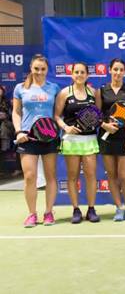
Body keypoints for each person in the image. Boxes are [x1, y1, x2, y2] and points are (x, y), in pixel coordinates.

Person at [13, 55, 61, 227]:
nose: (39, 72)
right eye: (36, 69)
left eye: (43, 69)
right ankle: (32, 214)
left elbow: (57, 114)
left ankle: (49, 212)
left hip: (49, 137)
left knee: (50, 176)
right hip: (27, 137)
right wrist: (19, 132)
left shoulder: (54, 88)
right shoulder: (20, 88)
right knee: (30, 177)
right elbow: (16, 112)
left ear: (47, 70)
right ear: (31, 69)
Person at [54, 62, 100, 223]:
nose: (79, 75)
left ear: (87, 75)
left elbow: (98, 116)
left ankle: (91, 209)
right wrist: (66, 127)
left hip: (90, 140)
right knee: (72, 176)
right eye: (77, 72)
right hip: (71, 141)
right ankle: (76, 209)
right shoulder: (64, 93)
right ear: (72, 74)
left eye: (83, 72)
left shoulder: (93, 93)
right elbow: (57, 116)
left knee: (91, 176)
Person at [96, 58, 125, 221]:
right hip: (106, 138)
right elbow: (97, 114)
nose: (118, 72)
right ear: (110, 70)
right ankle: (119, 207)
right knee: (112, 175)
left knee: (124, 175)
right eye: (115, 69)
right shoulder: (101, 91)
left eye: (121, 70)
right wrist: (104, 125)